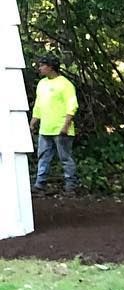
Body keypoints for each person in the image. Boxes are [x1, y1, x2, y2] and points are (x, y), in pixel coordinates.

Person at [31, 55, 79, 195]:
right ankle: (40, 185)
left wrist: (66, 125)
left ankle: (71, 186)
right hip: (45, 128)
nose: (39, 68)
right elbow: (39, 104)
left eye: (42, 65)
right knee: (43, 157)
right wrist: (34, 121)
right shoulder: (41, 84)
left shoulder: (65, 84)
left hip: (61, 128)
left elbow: (72, 105)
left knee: (65, 158)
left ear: (50, 67)